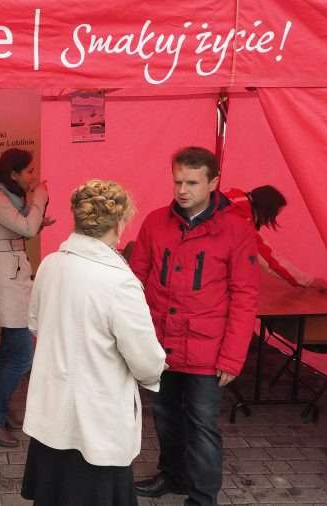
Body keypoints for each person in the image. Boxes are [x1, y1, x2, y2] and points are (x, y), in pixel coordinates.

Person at [22, 180, 167, 506]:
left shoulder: (50, 265)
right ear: (119, 225)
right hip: (98, 422)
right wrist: (156, 369)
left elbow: (35, 323)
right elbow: (146, 361)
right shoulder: (119, 282)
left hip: (52, 414)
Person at [130, 147, 260, 506]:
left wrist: (232, 357)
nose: (182, 190)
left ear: (213, 182)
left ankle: (202, 498)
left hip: (207, 350)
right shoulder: (155, 222)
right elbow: (134, 280)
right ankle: (173, 476)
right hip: (161, 343)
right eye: (177, 182)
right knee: (165, 417)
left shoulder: (236, 230)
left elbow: (245, 296)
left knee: (202, 425)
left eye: (191, 182)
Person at [0, 148, 51, 448]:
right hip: (8, 280)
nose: (34, 176)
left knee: (10, 352)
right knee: (22, 355)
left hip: (14, 275)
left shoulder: (4, 198)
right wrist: (39, 200)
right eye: (29, 171)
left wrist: (36, 215)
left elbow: (23, 227)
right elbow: (27, 228)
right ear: (13, 174)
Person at [225, 185, 327, 292]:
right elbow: (271, 261)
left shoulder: (234, 200)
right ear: (265, 210)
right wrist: (309, 281)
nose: (270, 220)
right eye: (273, 215)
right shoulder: (241, 221)